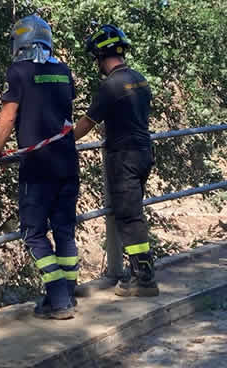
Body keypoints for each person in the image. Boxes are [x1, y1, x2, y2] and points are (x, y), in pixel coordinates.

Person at [0, 15, 80, 319]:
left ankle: (58, 300)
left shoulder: (18, 71)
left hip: (38, 168)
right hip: (68, 162)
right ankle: (68, 294)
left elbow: (8, 116)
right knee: (65, 231)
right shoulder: (63, 70)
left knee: (33, 233)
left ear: (20, 41)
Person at [74, 24, 159, 297]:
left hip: (124, 157)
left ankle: (143, 279)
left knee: (129, 216)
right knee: (133, 212)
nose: (96, 64)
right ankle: (140, 274)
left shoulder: (110, 86)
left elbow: (87, 123)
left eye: (96, 58)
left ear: (102, 55)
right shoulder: (139, 78)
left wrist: (63, 142)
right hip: (144, 152)